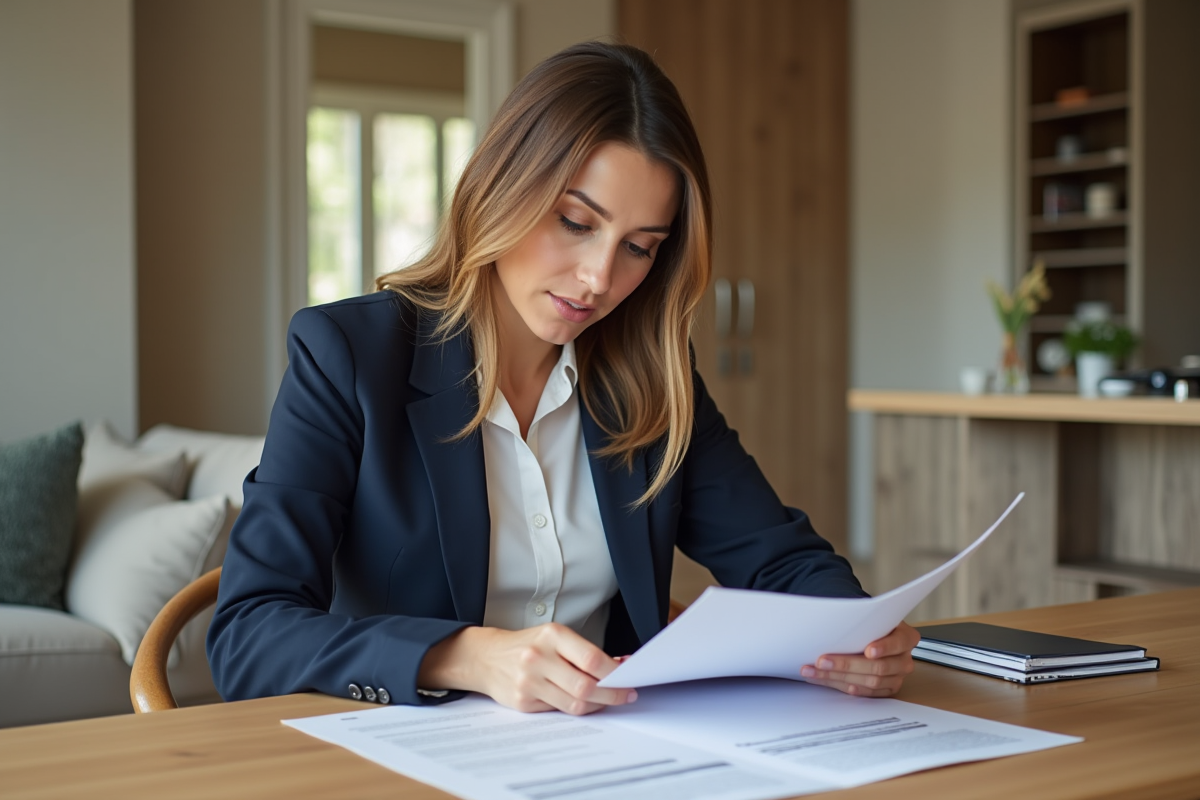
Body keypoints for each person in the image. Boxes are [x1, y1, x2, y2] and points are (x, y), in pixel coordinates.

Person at [207, 41, 918, 716]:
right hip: (399, 757)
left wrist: (856, 634)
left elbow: (780, 561)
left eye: (639, 248)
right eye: (577, 222)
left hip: (609, 754)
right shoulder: (349, 356)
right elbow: (247, 634)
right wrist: (466, 656)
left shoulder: (650, 378)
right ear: (503, 189)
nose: (600, 278)